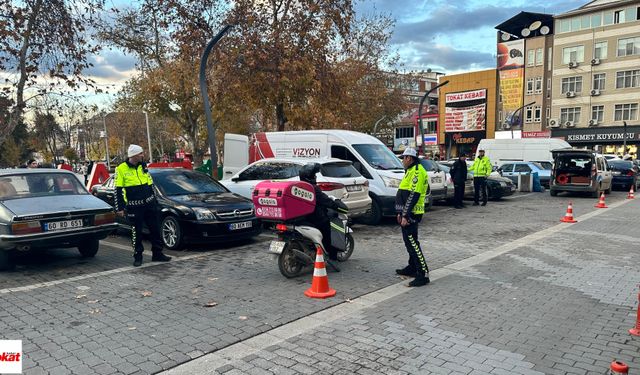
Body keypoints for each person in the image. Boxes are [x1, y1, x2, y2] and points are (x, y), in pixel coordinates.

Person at [115, 144, 171, 267]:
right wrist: (120, 207)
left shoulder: (143, 166)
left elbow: (150, 184)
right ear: (134, 155)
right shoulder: (121, 169)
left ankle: (157, 254)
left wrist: (154, 201)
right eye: (140, 153)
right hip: (134, 207)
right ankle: (138, 256)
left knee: (155, 230)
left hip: (149, 205)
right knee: (137, 232)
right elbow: (118, 190)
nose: (142, 155)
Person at [395, 148, 430, 287]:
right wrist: (399, 212)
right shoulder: (410, 171)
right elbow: (403, 193)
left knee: (413, 244)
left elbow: (413, 196)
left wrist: (405, 214)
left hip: (412, 213)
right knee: (409, 242)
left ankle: (423, 273)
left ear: (409, 158)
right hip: (406, 212)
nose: (402, 161)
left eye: (404, 158)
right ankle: (412, 267)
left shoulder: (417, 172)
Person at [298, 163, 348, 261]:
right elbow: (325, 201)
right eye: (314, 175)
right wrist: (336, 205)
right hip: (315, 218)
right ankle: (332, 255)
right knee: (329, 230)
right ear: (310, 177)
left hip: (302, 217)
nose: (315, 177)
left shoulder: (299, 187)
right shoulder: (313, 189)